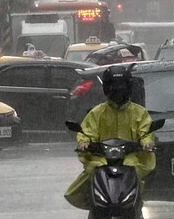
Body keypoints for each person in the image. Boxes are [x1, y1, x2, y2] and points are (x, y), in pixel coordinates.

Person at [64, 65, 156, 210]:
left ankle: (136, 205)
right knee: (91, 172)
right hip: (102, 160)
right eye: (114, 87)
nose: (118, 92)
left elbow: (145, 132)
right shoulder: (97, 113)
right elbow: (87, 131)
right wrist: (84, 142)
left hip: (129, 158)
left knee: (135, 169)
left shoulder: (139, 113)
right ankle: (96, 206)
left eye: (121, 87)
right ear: (107, 88)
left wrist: (146, 143)